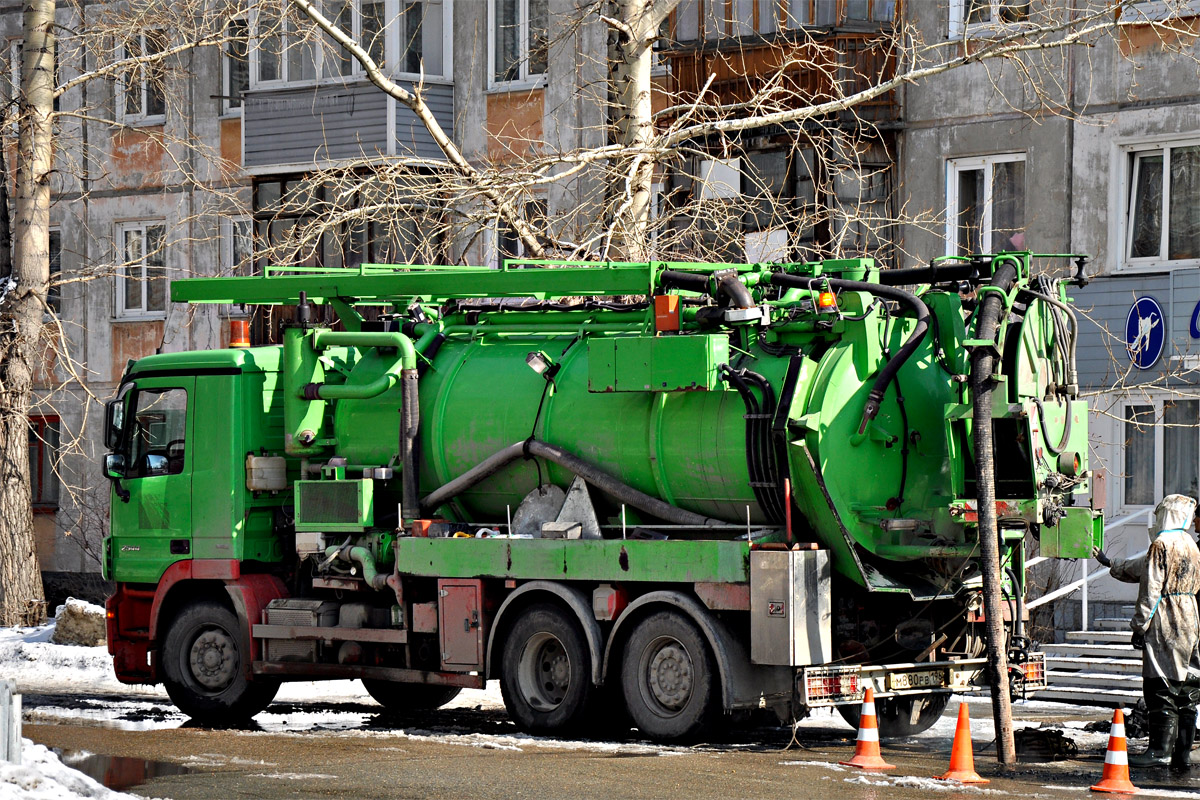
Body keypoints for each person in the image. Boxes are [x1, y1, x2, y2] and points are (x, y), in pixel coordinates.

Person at [1094, 494, 1200, 770]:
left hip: (1166, 616)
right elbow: (1140, 568)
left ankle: (1159, 751)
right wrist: (1110, 563)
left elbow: (1151, 587)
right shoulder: (1191, 544)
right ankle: (1182, 754)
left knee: (1159, 684)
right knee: (1187, 686)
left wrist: (1139, 626)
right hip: (1191, 614)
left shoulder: (1161, 544)